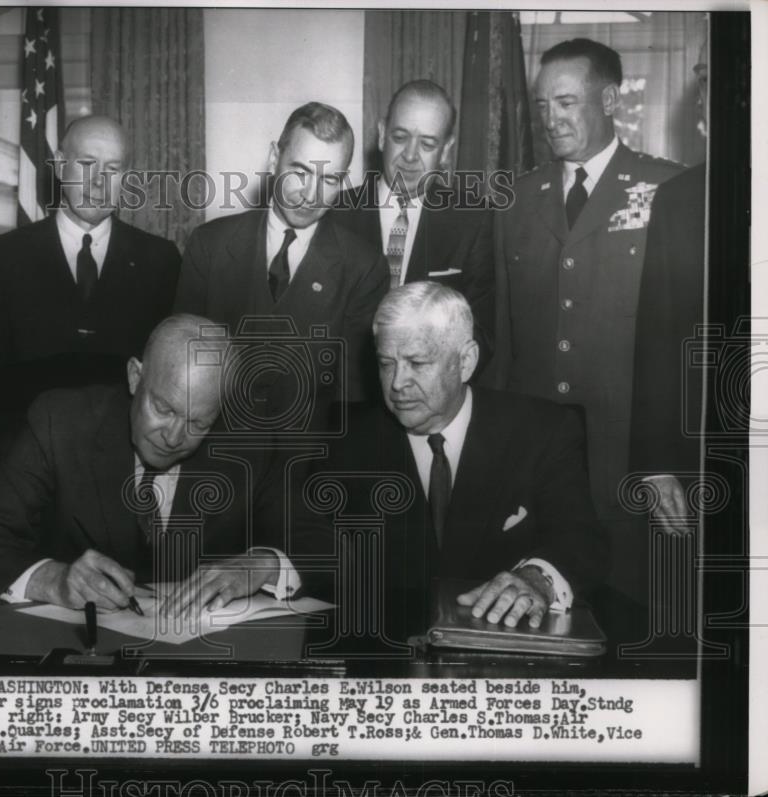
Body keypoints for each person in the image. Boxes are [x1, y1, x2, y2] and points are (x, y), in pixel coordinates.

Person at [296, 283, 608, 637]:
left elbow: (580, 539)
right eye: (386, 364)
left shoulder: (543, 430)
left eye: (417, 363)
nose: (398, 383)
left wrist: (536, 578)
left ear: (466, 362)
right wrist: (274, 563)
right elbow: (313, 538)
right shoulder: (345, 438)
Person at [0, 315, 298, 616]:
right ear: (134, 376)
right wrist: (55, 580)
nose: (174, 437)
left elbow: (324, 542)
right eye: (164, 409)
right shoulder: (59, 423)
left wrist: (261, 564)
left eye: (198, 424)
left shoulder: (250, 448)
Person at [490, 39, 682, 598]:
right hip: (536, 468)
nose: (551, 119)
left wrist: (664, 459)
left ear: (610, 99)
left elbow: (687, 346)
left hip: (629, 464)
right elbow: (504, 343)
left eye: (567, 102)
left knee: (634, 616)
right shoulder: (516, 200)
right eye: (543, 105)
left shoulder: (670, 189)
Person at [173, 102, 388, 426]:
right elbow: (183, 367)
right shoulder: (209, 245)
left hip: (312, 461)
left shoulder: (364, 268)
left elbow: (351, 399)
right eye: (300, 172)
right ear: (274, 158)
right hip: (214, 450)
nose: (310, 194)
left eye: (329, 180)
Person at [0, 115, 180, 365]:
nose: (98, 181)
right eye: (86, 164)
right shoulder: (1, 256)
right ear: (61, 166)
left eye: (112, 169)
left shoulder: (161, 260)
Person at [330, 80, 494, 365]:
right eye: (400, 136)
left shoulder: (475, 220)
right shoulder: (335, 213)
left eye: (427, 143)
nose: (409, 155)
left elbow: (480, 333)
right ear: (382, 135)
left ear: (445, 151)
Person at [629, 46, 708, 533]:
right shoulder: (681, 199)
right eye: (704, 79)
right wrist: (657, 466)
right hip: (707, 458)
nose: (710, 97)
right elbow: (659, 338)